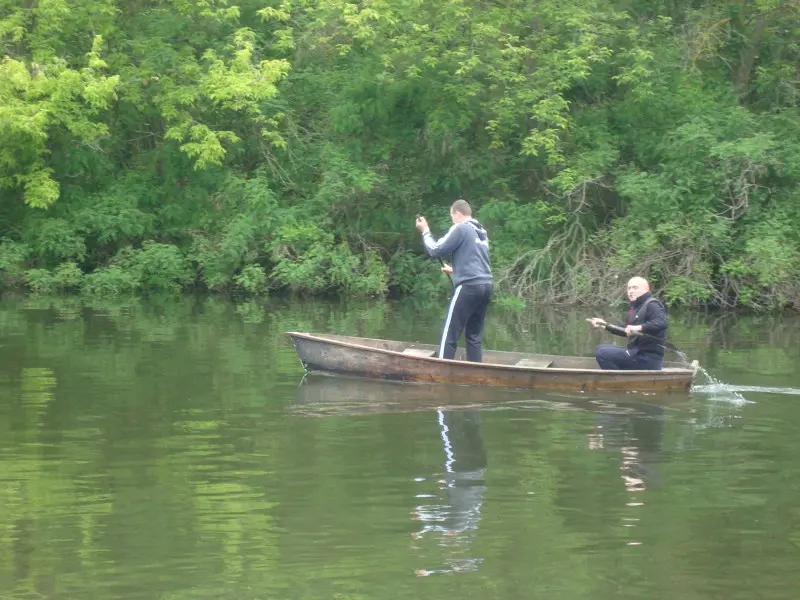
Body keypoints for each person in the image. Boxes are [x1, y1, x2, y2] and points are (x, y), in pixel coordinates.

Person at [415, 200, 493, 362]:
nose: (452, 220)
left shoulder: (461, 228)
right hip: (485, 286)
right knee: (473, 335)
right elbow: (477, 260)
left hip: (469, 286)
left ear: (457, 213)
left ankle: (441, 371)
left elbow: (435, 250)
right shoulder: (481, 231)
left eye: (452, 216)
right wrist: (455, 270)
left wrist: (425, 231)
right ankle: (476, 373)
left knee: (449, 333)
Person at [588, 276, 668, 370]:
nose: (631, 291)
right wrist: (604, 325)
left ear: (646, 289)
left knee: (603, 353)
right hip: (636, 354)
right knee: (600, 348)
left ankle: (618, 382)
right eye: (629, 288)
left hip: (648, 359)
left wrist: (638, 327)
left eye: (635, 287)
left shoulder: (653, 304)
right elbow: (626, 329)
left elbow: (662, 323)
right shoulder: (636, 308)